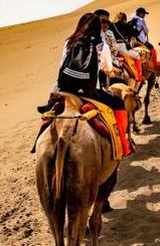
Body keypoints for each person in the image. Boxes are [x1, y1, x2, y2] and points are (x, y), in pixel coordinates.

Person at [43, 12, 133, 156]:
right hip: (89, 91)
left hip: (64, 88)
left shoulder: (69, 42)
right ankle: (123, 145)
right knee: (118, 104)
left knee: (48, 112)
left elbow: (62, 66)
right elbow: (108, 70)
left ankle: (38, 141)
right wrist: (110, 71)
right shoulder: (101, 46)